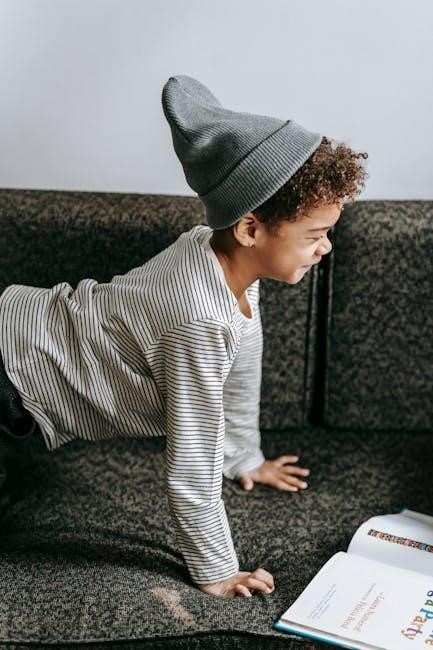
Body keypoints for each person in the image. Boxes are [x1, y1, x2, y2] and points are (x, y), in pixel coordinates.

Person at [0, 75, 368, 598]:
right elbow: (192, 462)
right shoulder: (198, 319)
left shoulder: (217, 258)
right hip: (11, 375)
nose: (326, 248)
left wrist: (244, 457)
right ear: (250, 230)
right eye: (314, 235)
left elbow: (244, 364)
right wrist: (217, 570)